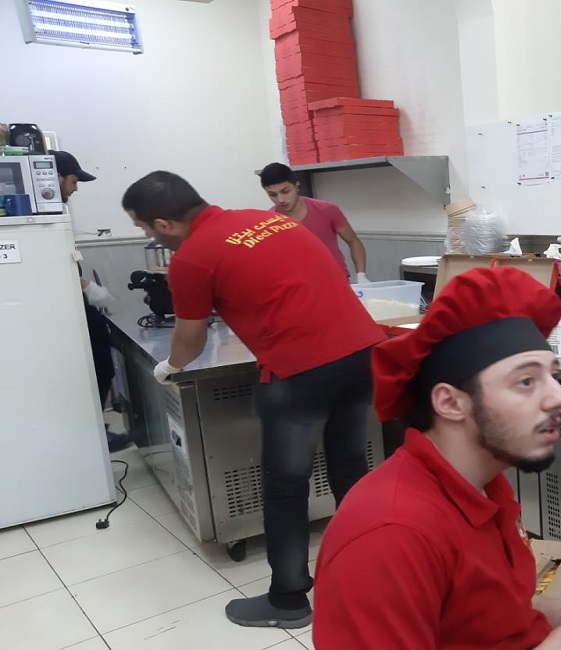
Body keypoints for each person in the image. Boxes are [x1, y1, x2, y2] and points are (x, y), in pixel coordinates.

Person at [312, 266, 561, 649]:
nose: (560, 397)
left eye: (552, 376)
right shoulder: (388, 535)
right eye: (526, 381)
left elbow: (490, 618)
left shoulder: (485, 485)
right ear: (451, 402)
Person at [121, 170, 386, 628]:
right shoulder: (266, 221)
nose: (148, 235)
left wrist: (169, 368)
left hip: (301, 373)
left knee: (286, 487)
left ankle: (288, 601)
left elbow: (189, 340)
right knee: (350, 468)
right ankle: (377, 573)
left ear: (164, 224)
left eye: (144, 227)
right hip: (361, 354)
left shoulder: (192, 258)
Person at [52, 150, 131, 453]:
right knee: (98, 364)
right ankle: (93, 435)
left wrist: (86, 286)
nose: (75, 189)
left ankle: (95, 430)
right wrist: (85, 286)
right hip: (65, 312)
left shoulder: (56, 215)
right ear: (58, 177)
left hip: (76, 305)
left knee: (102, 360)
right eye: (73, 181)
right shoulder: (45, 217)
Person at [258, 162, 369, 282]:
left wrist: (361, 275)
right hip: (299, 285)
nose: (281, 200)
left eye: (286, 191)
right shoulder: (269, 223)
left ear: (297, 186)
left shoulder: (326, 210)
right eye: (272, 195)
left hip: (336, 280)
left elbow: (353, 241)